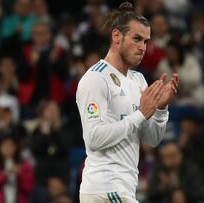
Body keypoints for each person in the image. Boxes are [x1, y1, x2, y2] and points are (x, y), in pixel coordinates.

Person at [76, 2, 179, 203]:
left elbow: (151, 139)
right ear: (116, 36)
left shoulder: (138, 80)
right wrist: (140, 114)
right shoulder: (96, 79)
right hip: (105, 188)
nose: (143, 47)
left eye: (146, 41)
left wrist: (159, 109)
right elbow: (94, 138)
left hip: (123, 188)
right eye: (137, 39)